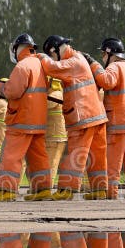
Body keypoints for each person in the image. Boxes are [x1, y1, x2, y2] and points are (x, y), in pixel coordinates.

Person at [37, 35, 109, 200]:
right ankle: (99, 190)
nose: (51, 58)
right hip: (96, 115)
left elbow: (52, 68)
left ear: (54, 50)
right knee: (96, 156)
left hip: (82, 116)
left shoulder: (73, 61)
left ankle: (66, 189)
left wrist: (39, 56)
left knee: (76, 153)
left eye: (50, 54)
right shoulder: (78, 58)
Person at [0, 34, 53, 202]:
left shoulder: (22, 66)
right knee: (38, 156)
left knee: (11, 155)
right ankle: (42, 189)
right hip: (38, 121)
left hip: (21, 119)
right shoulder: (40, 64)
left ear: (18, 48)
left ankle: (6, 190)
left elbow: (12, 91)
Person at [85, 38, 125, 199]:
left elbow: (107, 81)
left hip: (120, 123)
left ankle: (110, 195)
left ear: (109, 53)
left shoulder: (114, 66)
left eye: (103, 54)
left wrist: (93, 64)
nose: (102, 58)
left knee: (112, 163)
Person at [45, 77, 68, 185]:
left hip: (56, 136)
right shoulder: (53, 94)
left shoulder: (56, 94)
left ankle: (47, 185)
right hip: (52, 134)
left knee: (51, 162)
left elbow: (47, 104)